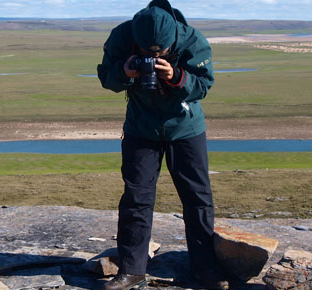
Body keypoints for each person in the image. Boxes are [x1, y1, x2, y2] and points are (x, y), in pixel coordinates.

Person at [96, 1, 227, 289]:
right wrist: (124, 72)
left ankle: (205, 269)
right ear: (137, 42)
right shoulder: (122, 36)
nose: (154, 57)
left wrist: (177, 77)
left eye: (162, 54)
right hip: (141, 128)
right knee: (136, 197)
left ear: (173, 41)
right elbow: (107, 77)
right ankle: (131, 270)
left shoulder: (192, 38)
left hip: (185, 128)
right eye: (147, 54)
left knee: (197, 199)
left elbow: (205, 85)